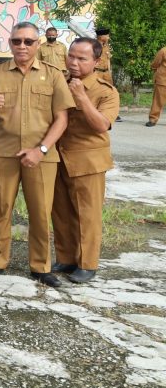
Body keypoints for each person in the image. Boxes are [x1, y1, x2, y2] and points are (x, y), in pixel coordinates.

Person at [0, 21, 74, 286]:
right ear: (10, 43)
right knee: (1, 210)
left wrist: (41, 149)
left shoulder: (53, 75)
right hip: (3, 153)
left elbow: (62, 119)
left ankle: (41, 266)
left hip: (41, 157)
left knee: (41, 212)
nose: (22, 46)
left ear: (38, 44)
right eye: (17, 41)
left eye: (28, 41)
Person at [51, 37, 120, 283]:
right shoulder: (59, 81)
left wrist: (81, 98)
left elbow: (101, 125)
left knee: (87, 215)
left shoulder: (105, 91)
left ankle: (87, 264)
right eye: (71, 56)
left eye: (82, 58)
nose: (74, 62)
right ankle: (67, 257)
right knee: (60, 212)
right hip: (57, 158)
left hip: (87, 162)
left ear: (96, 61)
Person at [146, 44, 166, 127]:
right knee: (158, 101)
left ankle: (153, 119)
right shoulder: (164, 50)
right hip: (163, 80)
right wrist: (156, 71)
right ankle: (153, 119)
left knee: (157, 101)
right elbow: (156, 62)